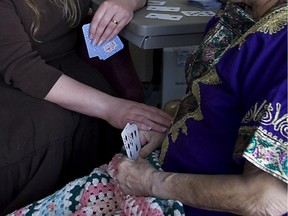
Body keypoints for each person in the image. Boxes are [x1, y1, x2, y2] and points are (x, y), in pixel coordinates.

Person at [6, 0, 287, 215]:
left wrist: (151, 182)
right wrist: (173, 125)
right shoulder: (241, 13)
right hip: (156, 172)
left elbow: (267, 199)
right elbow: (223, 108)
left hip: (176, 196)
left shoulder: (279, 43)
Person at [0, 0, 173, 214]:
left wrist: (125, 3)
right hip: (18, 86)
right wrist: (113, 108)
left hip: (71, 77)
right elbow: (23, 70)